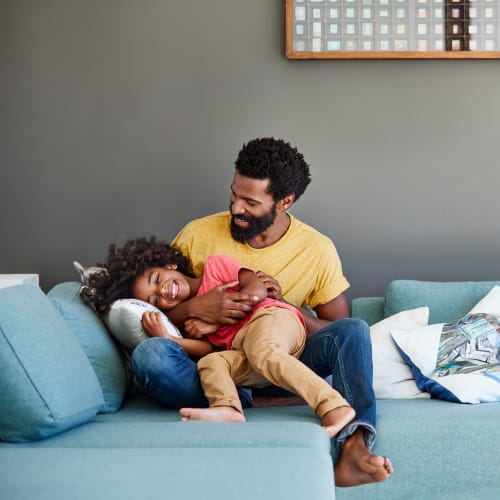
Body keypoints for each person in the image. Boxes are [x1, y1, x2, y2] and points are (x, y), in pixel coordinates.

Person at [133, 137, 393, 486]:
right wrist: (197, 307)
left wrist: (283, 306)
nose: (236, 208)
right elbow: (164, 299)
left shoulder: (316, 250)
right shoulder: (197, 235)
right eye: (233, 194)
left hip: (284, 352)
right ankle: (246, 401)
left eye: (250, 202)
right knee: (152, 357)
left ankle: (354, 447)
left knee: (354, 330)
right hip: (225, 363)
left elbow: (335, 331)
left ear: (285, 201)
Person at [131, 251, 356, 437]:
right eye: (155, 301)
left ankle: (334, 405)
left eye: (157, 279)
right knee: (211, 363)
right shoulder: (191, 320)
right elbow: (207, 349)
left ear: (169, 266)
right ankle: (228, 408)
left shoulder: (214, 266)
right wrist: (169, 339)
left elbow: (257, 290)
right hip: (247, 350)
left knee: (263, 351)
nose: (162, 291)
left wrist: (215, 320)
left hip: (272, 317)